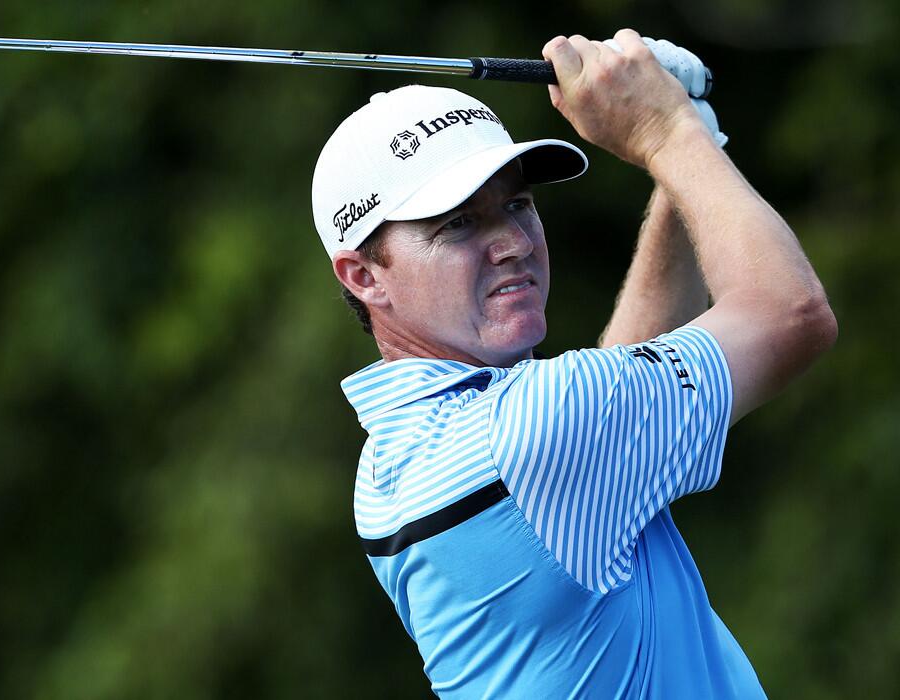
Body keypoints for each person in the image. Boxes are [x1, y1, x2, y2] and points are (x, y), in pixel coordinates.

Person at [310, 29, 837, 698]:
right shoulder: (533, 432)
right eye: (457, 224)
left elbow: (616, 392)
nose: (511, 243)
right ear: (364, 276)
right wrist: (668, 131)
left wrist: (683, 157)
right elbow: (791, 313)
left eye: (517, 204)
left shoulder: (391, 461)